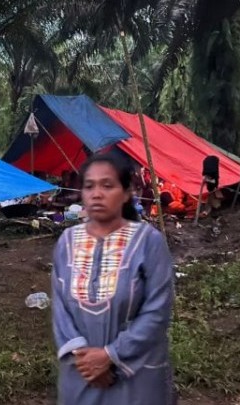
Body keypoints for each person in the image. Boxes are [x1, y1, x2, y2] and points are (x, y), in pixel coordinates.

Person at [51, 152, 176, 405]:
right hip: (81, 372)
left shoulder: (148, 242)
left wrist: (110, 355)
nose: (97, 194)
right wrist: (84, 356)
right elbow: (60, 308)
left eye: (107, 185)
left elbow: (157, 310)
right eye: (89, 186)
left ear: (127, 192)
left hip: (136, 371)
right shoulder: (67, 242)